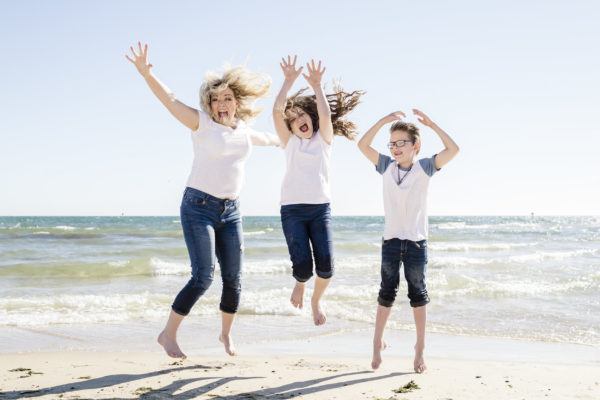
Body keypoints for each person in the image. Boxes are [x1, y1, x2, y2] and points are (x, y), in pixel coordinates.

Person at [126, 42, 279, 358]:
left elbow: (278, 140)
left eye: (228, 98)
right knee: (203, 276)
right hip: (198, 207)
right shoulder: (201, 123)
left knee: (234, 279)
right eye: (216, 99)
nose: (222, 103)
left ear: (237, 103)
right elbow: (170, 100)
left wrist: (307, 136)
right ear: (209, 104)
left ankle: (225, 335)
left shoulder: (245, 131)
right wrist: (145, 74)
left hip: (232, 211)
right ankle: (168, 335)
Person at [357, 109, 459, 372]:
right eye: (392, 143)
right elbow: (362, 144)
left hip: (416, 243)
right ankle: (377, 342)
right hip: (391, 242)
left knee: (418, 294)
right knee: (386, 293)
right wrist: (381, 121)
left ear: (416, 146)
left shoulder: (424, 167)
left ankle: (420, 348)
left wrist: (433, 124)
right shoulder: (386, 167)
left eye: (401, 143)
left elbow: (453, 149)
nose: (395, 148)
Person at [272, 55, 363, 325]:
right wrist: (288, 82)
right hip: (292, 211)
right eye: (293, 119)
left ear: (309, 119)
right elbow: (277, 112)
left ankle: (316, 300)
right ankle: (300, 282)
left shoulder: (324, 141)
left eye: (302, 115)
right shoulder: (289, 143)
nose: (300, 119)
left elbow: (324, 114)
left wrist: (317, 86)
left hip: (320, 209)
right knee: (302, 266)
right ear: (289, 128)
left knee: (326, 267)